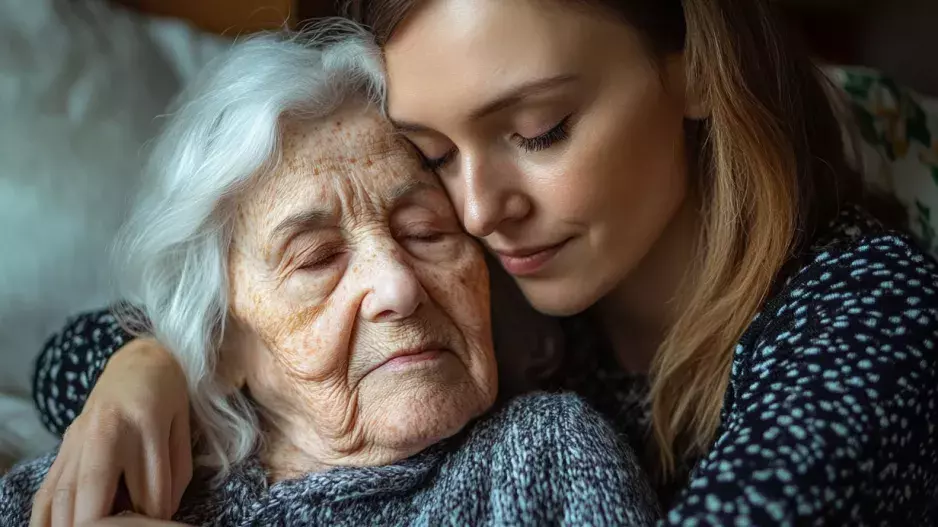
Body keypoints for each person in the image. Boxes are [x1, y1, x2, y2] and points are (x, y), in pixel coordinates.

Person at [31, 0, 938, 525]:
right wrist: (153, 360)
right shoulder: (499, 279)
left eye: (538, 131)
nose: (475, 209)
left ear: (696, 67)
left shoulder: (866, 317)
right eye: (433, 155)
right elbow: (90, 351)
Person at [7, 28, 660, 527]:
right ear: (223, 337)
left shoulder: (548, 457)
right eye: (317, 257)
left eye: (426, 231)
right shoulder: (107, 478)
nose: (398, 286)